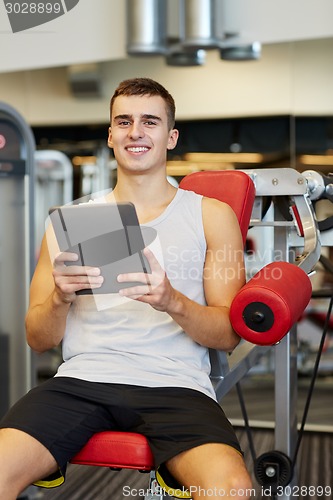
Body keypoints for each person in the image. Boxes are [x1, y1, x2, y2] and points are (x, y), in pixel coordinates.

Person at [0, 78, 253, 499]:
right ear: (111, 135)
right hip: (83, 380)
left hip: (175, 384)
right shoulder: (70, 218)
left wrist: (171, 300)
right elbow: (37, 338)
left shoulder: (210, 216)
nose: (136, 131)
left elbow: (227, 335)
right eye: (124, 121)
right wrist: (60, 299)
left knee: (233, 490)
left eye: (150, 122)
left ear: (170, 137)